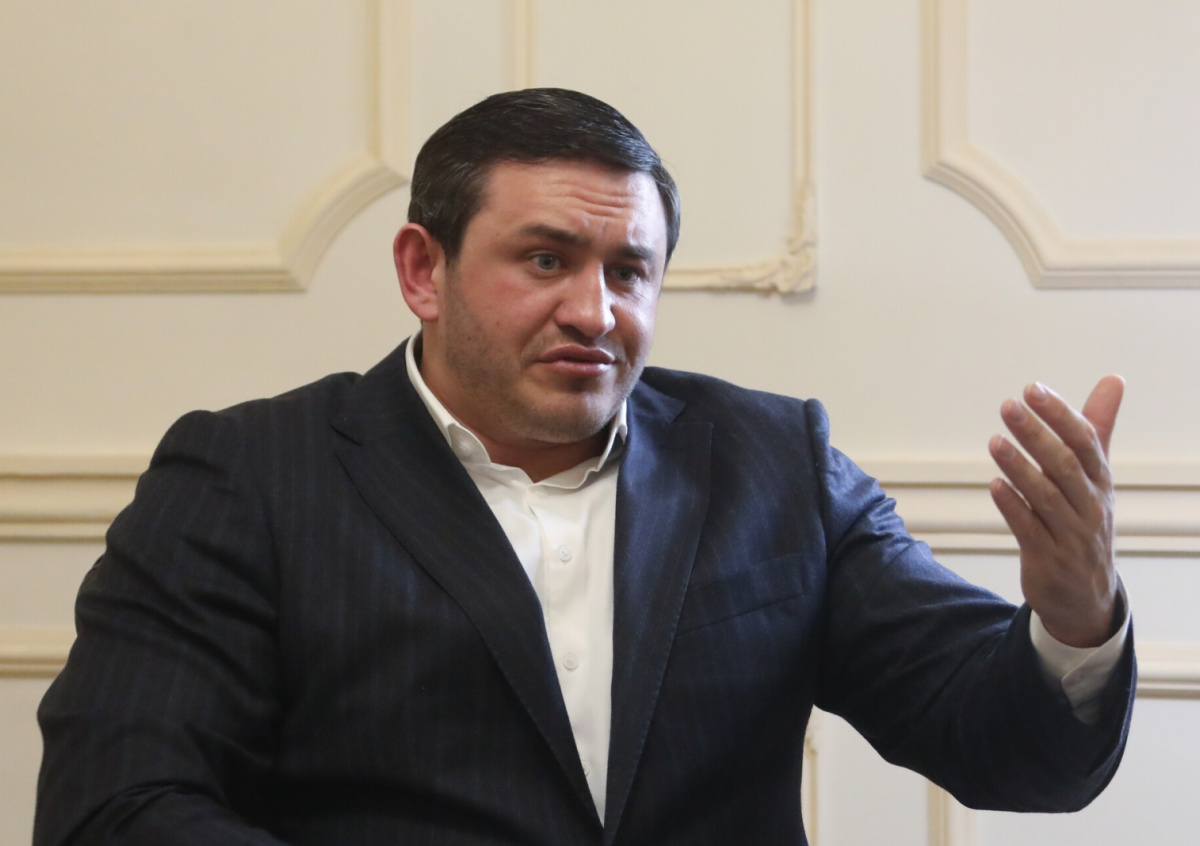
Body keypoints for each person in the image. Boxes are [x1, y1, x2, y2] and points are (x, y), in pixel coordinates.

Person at [35, 88, 1135, 846]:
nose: (594, 311)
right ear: (423, 270)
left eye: (629, 271)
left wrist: (1075, 613)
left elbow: (1005, 748)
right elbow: (119, 806)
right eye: (546, 259)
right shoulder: (246, 478)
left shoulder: (775, 465)